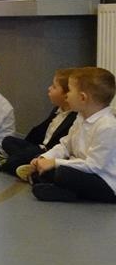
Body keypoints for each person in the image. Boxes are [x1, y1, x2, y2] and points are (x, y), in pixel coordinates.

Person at [16, 67, 116, 203]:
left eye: (69, 90)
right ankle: (63, 190)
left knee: (63, 173)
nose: (66, 95)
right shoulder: (80, 117)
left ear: (82, 98)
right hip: (82, 171)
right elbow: (65, 145)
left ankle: (67, 192)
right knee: (50, 169)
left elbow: (93, 166)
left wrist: (55, 162)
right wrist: (45, 157)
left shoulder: (107, 126)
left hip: (105, 182)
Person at [0, 68, 76, 175]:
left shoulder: (73, 118)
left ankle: (5, 164)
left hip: (49, 151)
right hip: (39, 147)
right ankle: (24, 163)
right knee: (8, 141)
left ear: (66, 95)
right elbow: (42, 130)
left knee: (31, 153)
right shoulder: (57, 110)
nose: (49, 88)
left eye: (54, 87)